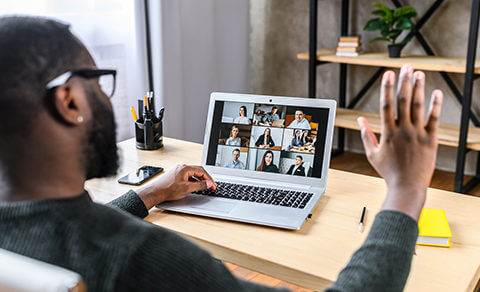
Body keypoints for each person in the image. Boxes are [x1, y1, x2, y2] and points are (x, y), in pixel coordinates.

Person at [0, 16, 445, 292]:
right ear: (70, 102)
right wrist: (405, 192)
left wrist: (150, 194)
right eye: (98, 82)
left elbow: (62, 233)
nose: (106, 97)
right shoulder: (147, 260)